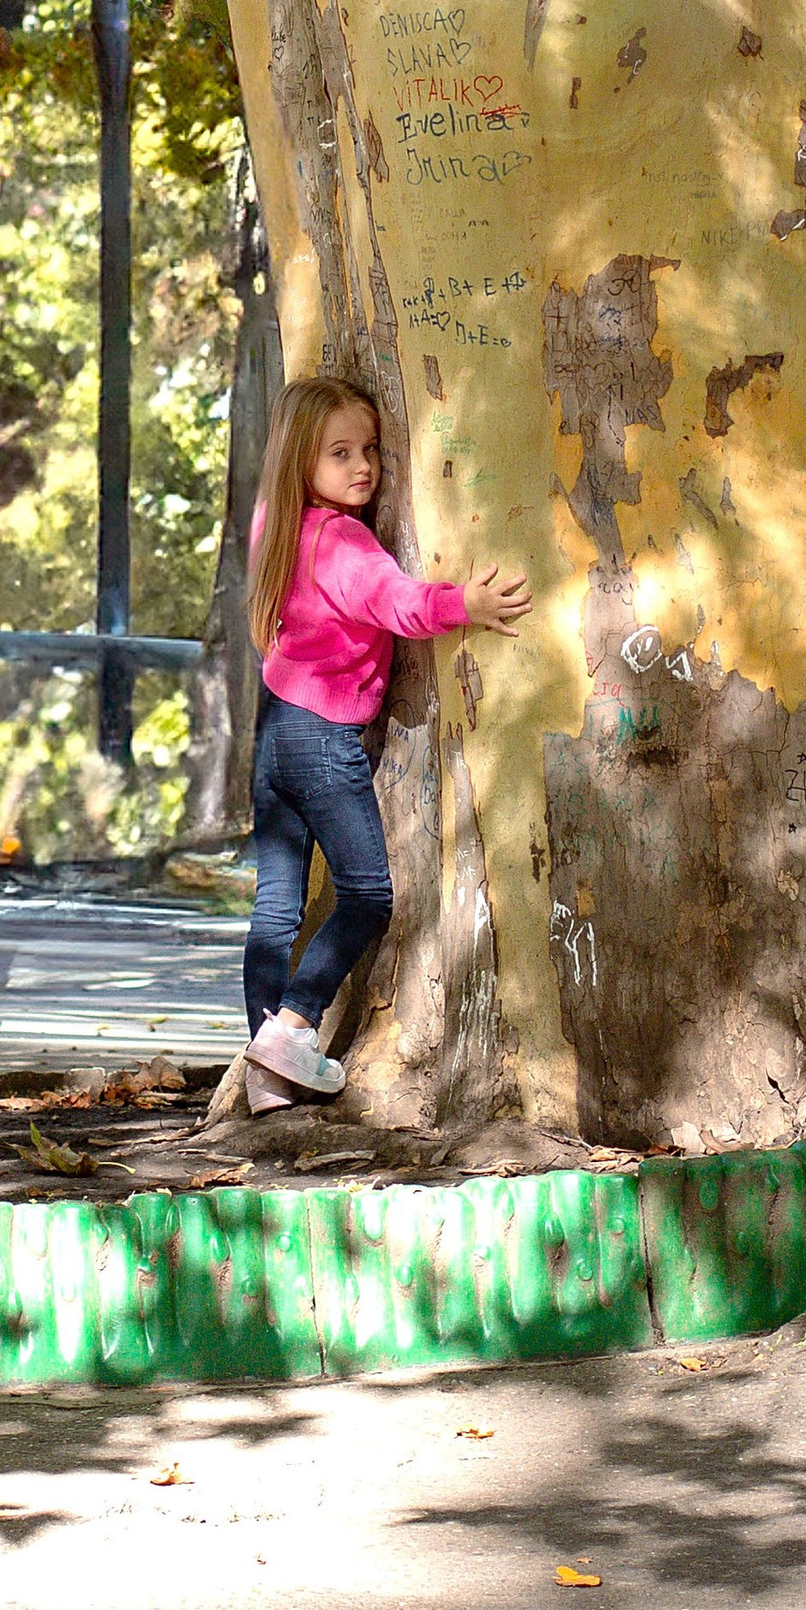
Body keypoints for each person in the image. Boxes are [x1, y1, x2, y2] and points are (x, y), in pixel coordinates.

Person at [242, 374, 529, 1106]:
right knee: (368, 893)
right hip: (320, 733)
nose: (363, 466)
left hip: (274, 725)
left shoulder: (277, 522)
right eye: (339, 453)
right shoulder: (341, 538)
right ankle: (293, 1027)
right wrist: (466, 602)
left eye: (368, 449)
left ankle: (262, 1068)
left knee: (275, 906)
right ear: (300, 457)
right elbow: (395, 602)